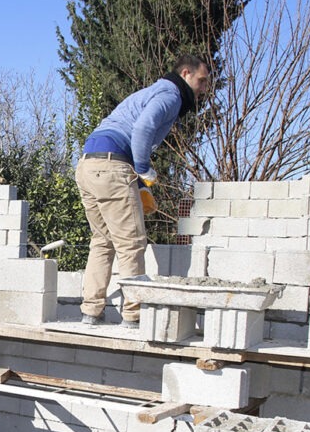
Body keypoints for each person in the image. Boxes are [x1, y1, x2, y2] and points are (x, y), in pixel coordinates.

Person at [76, 54, 211, 327]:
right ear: (186, 73)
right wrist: (143, 168)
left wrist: (135, 179)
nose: (204, 88)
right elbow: (143, 128)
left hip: (88, 166)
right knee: (132, 243)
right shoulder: (170, 95)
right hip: (114, 165)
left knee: (102, 241)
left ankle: (91, 311)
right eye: (202, 80)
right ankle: (134, 315)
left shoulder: (151, 92)